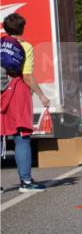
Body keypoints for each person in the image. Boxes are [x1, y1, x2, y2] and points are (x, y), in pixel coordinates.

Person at [1, 13, 50, 191]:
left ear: (5, 28)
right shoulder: (25, 46)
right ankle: (26, 182)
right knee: (21, 136)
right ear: (22, 28)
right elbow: (27, 76)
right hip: (16, 92)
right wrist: (42, 95)